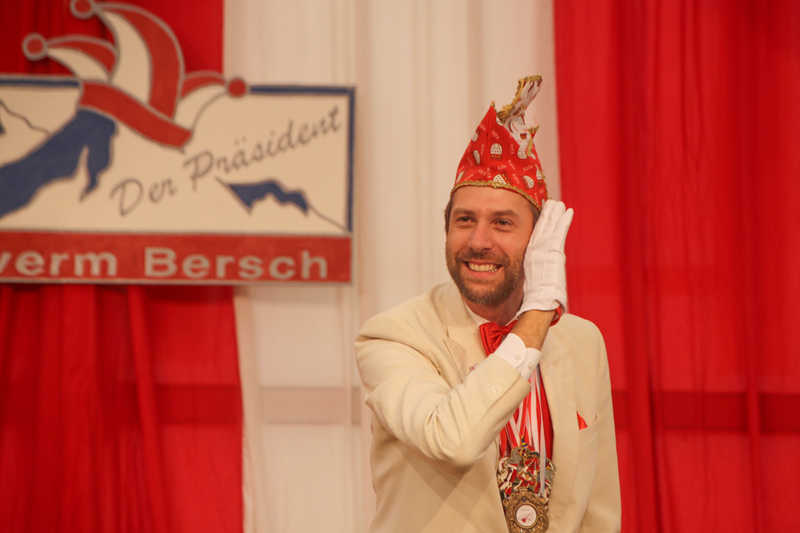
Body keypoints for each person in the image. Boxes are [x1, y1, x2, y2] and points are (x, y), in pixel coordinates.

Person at [356, 76, 620, 533]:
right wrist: (538, 312)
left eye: (502, 223)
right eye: (464, 220)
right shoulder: (394, 336)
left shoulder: (582, 342)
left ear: (538, 238)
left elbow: (599, 507)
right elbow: (453, 439)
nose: (478, 241)